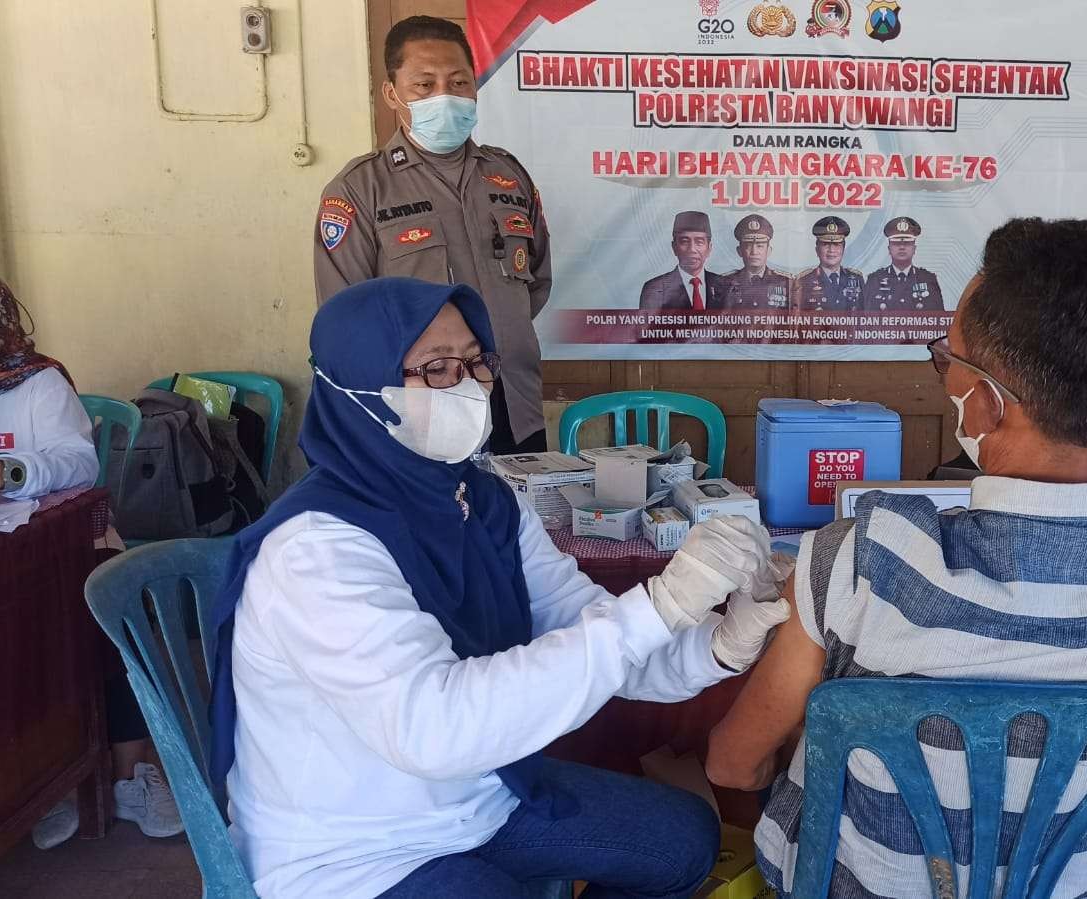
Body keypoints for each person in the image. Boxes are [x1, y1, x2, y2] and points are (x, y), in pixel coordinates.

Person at [705, 219, 1087, 898]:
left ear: (986, 401)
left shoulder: (862, 557)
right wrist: (1071, 836)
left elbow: (733, 762)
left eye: (945, 361)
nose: (944, 378)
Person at [208, 277, 790, 899]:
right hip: (354, 847)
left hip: (478, 797)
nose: (463, 385)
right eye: (434, 368)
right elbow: (433, 731)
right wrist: (659, 605)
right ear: (357, 390)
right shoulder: (317, 549)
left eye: (475, 361)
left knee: (681, 841)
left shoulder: (485, 502)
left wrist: (719, 644)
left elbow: (585, 627)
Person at [0, 253, 182, 846]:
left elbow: (79, 462)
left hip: (56, 545)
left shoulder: (33, 381)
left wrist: (2, 471)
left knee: (95, 620)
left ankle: (128, 771)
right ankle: (28, 782)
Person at [314, 15, 552, 455]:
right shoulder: (359, 189)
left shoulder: (509, 176)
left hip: (512, 399)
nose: (445, 95)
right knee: (439, 519)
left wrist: (493, 337)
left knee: (517, 519)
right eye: (424, 85)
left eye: (459, 81)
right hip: (422, 410)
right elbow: (345, 319)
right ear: (392, 93)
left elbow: (535, 283)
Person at [638, 211, 726, 311]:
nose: (692, 249)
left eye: (699, 242)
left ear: (709, 248)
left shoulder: (725, 286)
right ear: (674, 247)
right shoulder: (655, 289)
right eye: (684, 241)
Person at [862, 215, 944, 311]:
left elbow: (938, 320)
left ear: (914, 249)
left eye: (907, 243)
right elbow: (865, 320)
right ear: (889, 249)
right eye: (896, 243)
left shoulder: (928, 279)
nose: (902, 247)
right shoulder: (874, 280)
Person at [719, 214, 794, 313]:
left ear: (769, 251)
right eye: (748, 246)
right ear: (739, 251)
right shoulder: (725, 283)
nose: (754, 252)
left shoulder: (786, 282)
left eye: (760, 246)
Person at [793, 216, 864, 312]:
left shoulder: (856, 279)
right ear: (817, 250)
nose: (831, 250)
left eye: (836, 244)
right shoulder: (804, 281)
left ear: (843, 249)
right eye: (825, 244)